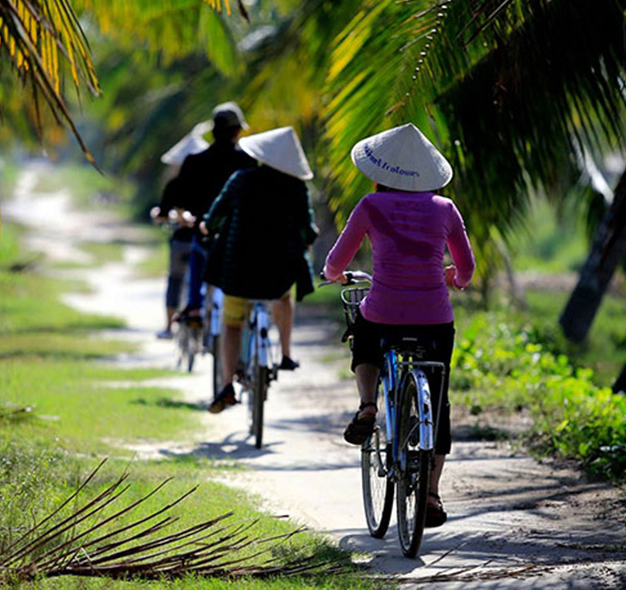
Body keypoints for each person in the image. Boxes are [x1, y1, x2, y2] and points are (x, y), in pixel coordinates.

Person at [322, 123, 475, 528]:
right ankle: (431, 493)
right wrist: (454, 280)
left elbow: (336, 263)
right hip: (436, 319)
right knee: (438, 404)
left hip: (384, 310)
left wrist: (336, 275)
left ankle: (369, 404)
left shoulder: (371, 207)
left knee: (365, 335)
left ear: (380, 172)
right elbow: (467, 269)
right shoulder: (445, 209)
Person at [201, 126, 319, 413]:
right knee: (284, 297)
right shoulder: (296, 188)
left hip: (237, 272)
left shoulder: (240, 180)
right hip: (278, 276)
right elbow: (309, 230)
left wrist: (207, 226)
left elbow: (215, 216)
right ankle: (287, 354)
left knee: (232, 325)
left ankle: (227, 385)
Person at [172, 102, 257, 322]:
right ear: (237, 132)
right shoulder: (247, 161)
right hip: (240, 237)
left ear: (213, 131)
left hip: (205, 233)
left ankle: (193, 305)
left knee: (197, 253)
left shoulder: (194, 161)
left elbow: (179, 200)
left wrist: (183, 216)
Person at [151, 127, 209, 339]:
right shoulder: (208, 183)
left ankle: (168, 327)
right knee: (205, 279)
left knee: (175, 280)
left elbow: (162, 212)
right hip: (204, 241)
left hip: (180, 243)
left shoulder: (174, 185)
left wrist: (162, 216)